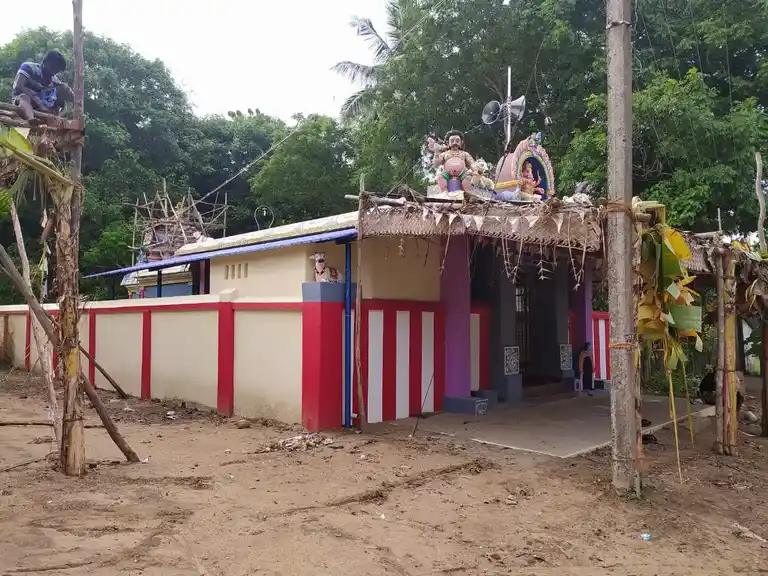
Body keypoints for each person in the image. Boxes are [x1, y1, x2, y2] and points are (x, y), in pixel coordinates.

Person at [11, 50, 74, 121]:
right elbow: (19, 86)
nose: (54, 71)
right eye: (53, 67)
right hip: (22, 102)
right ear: (45, 62)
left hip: (42, 107)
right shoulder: (29, 67)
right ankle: (31, 120)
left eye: (57, 70)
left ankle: (55, 121)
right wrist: (38, 102)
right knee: (24, 97)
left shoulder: (55, 80)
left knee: (61, 91)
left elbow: (68, 96)